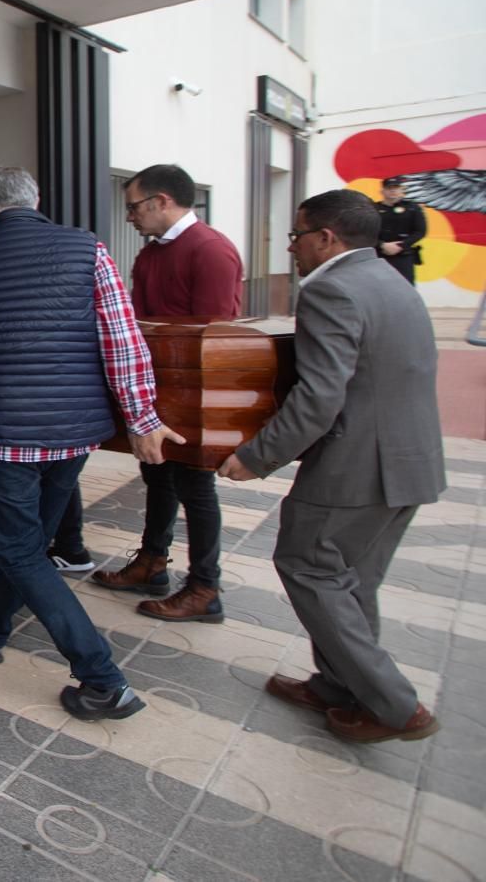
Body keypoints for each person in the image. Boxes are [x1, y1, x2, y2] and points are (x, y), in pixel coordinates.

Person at [0, 166, 183, 721]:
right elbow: (121, 340)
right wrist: (141, 418)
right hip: (72, 433)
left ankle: (103, 679)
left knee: (22, 550)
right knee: (32, 543)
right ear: (37, 201)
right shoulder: (87, 249)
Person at [219, 189, 446, 744]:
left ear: (326, 238)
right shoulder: (391, 280)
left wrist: (257, 455)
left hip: (356, 467)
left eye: (297, 236)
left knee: (309, 567)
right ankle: (339, 686)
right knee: (351, 583)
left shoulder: (331, 290)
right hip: (410, 460)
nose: (292, 248)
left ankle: (395, 706)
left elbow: (321, 396)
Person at [69, 164, 244, 623]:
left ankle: (206, 586)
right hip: (154, 391)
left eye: (133, 206)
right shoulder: (149, 256)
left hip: (194, 396)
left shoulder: (211, 250)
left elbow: (217, 337)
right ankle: (152, 562)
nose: (129, 216)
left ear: (162, 200)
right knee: (156, 478)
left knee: (195, 488)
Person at [374, 177, 426, 285]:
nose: (393, 191)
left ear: (402, 190)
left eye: (396, 188)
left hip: (404, 256)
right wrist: (382, 245)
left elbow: (420, 231)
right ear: (382, 191)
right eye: (389, 188)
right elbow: (366, 232)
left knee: (406, 287)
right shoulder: (373, 209)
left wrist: (401, 245)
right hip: (379, 256)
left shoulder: (412, 208)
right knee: (380, 287)